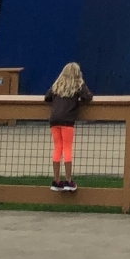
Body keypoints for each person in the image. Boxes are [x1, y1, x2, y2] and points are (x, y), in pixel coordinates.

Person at [45, 61, 93, 193]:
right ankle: (68, 180)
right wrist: (81, 83)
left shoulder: (57, 85)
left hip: (54, 120)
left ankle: (56, 181)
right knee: (67, 149)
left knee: (57, 148)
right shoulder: (77, 85)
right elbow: (88, 97)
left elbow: (47, 97)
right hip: (67, 121)